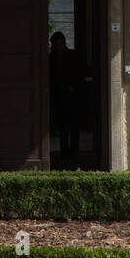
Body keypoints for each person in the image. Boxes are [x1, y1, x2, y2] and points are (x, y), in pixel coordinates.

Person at [49, 31, 81, 163]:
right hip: (57, 96)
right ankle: (64, 151)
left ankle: (74, 151)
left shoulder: (72, 56)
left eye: (60, 43)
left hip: (71, 96)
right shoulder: (51, 57)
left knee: (73, 125)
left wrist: (73, 86)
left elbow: (79, 72)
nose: (58, 46)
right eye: (55, 44)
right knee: (62, 126)